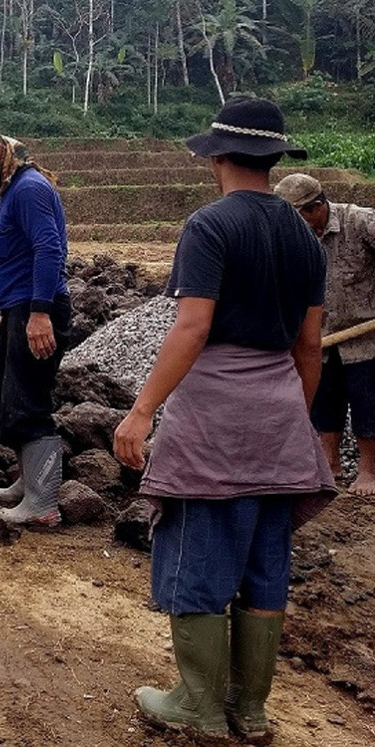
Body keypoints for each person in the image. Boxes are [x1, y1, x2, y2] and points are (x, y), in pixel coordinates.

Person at [112, 98, 335, 743]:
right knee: (267, 559)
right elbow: (309, 346)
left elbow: (193, 325)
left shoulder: (209, 227)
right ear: (273, 160)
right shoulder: (303, 235)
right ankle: (252, 709)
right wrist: (294, 410)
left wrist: (143, 408)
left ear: (217, 157)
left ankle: (200, 705)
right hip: (279, 413)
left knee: (200, 553)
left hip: (214, 413)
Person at [0, 129, 72, 526]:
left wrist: (38, 313)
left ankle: (43, 503)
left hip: (36, 307)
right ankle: (28, 485)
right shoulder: (15, 189)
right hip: (20, 307)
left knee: (30, 400)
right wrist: (6, 313)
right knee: (15, 396)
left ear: (1, 155)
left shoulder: (27, 189)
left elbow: (49, 248)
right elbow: (19, 255)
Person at [275, 173, 375, 496]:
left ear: (317, 207)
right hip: (322, 337)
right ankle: (328, 464)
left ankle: (369, 470)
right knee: (324, 402)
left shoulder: (358, 222)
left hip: (365, 336)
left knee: (367, 402)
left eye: (297, 216)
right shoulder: (292, 239)